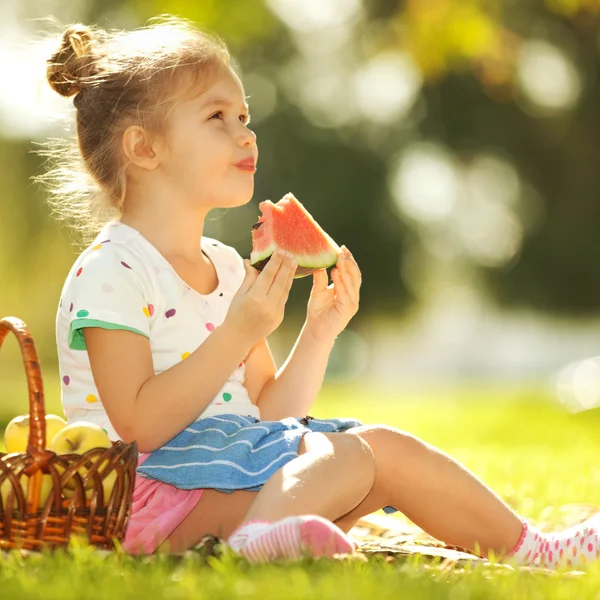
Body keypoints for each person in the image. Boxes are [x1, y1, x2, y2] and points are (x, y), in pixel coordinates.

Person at [38, 15, 599, 568]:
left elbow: (272, 414)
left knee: (386, 447)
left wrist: (318, 331)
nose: (246, 132)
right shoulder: (112, 269)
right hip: (150, 501)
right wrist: (238, 331)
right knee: (348, 457)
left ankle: (537, 549)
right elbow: (139, 428)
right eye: (216, 115)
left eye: (244, 115)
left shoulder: (228, 267)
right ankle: (260, 539)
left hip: (235, 471)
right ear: (144, 149)